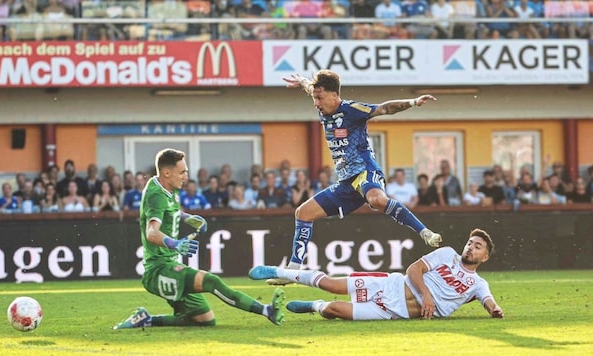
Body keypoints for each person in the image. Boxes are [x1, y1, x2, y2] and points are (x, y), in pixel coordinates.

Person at [271, 70, 442, 285]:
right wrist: (303, 82)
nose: (316, 102)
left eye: (319, 97)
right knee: (302, 213)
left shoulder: (351, 110)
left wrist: (413, 102)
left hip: (365, 172)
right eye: (314, 97)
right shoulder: (324, 107)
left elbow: (384, 108)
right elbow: (311, 89)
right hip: (345, 182)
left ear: (334, 95)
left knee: (377, 200)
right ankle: (293, 271)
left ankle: (425, 232)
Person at [113, 148, 285, 330]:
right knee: (211, 281)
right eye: (182, 172)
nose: (186, 176)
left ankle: (146, 319)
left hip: (170, 265)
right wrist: (175, 243)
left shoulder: (166, 187)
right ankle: (267, 310)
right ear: (166, 172)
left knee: (204, 320)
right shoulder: (156, 195)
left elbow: (168, 209)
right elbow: (151, 233)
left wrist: (187, 217)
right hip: (159, 270)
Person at [249, 228, 504, 321]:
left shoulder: (477, 283)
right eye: (470, 242)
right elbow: (414, 269)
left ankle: (313, 306)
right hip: (391, 286)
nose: (470, 247)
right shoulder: (447, 254)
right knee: (332, 285)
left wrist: (494, 311)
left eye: (477, 246)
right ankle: (277, 270)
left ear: (485, 257)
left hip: (392, 312)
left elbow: (489, 303)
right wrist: (426, 295)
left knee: (334, 309)